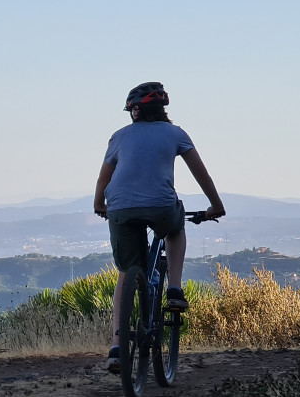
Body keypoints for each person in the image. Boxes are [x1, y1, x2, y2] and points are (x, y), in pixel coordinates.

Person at [93, 82, 225, 374]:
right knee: (176, 226)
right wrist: (216, 205)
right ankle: (174, 290)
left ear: (135, 111)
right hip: (160, 205)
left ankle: (116, 348)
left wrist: (98, 204)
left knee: (127, 272)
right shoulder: (176, 134)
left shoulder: (118, 137)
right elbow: (201, 174)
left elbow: (104, 178)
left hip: (120, 207)